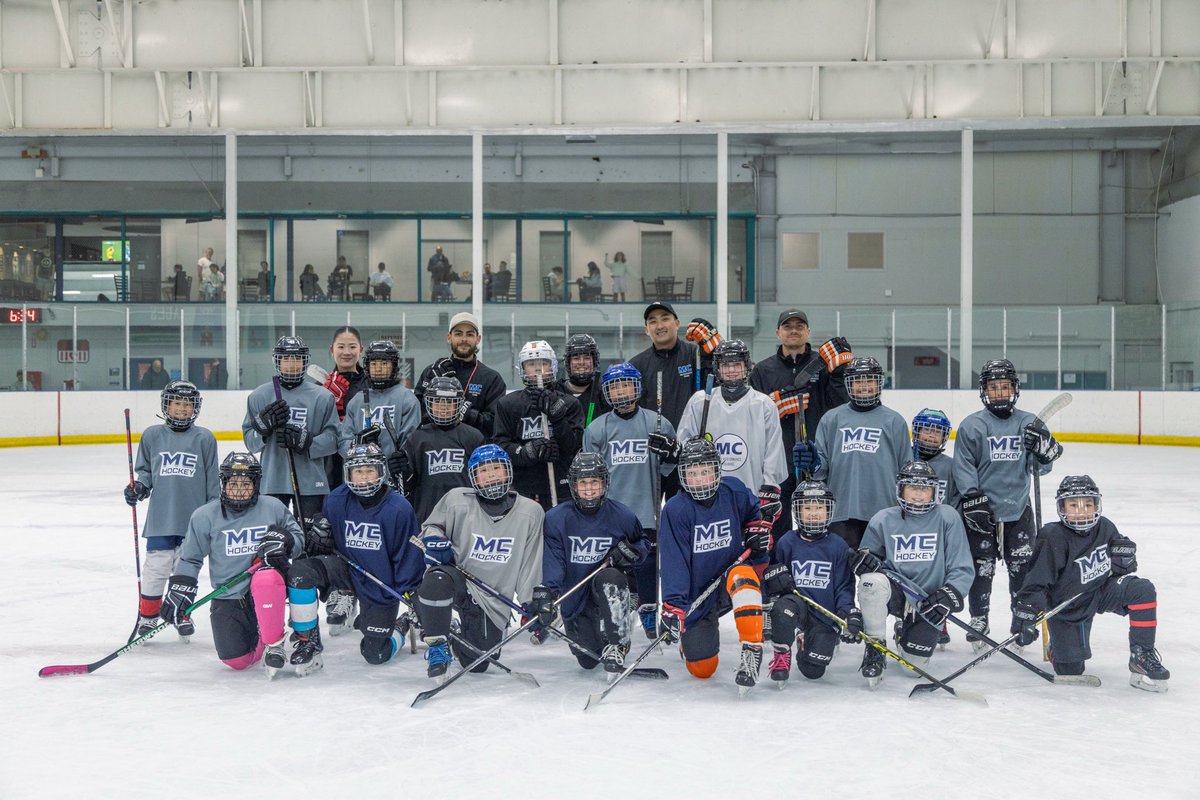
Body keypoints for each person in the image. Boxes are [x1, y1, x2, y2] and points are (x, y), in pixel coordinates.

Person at [1014, 475, 1169, 692]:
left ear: (1097, 504)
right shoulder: (1052, 536)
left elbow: (1121, 560)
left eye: (1088, 504)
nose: (1082, 510)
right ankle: (1057, 648)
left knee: (1142, 590)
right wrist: (1027, 611)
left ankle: (1141, 654)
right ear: (1062, 507)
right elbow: (1037, 581)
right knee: (1071, 670)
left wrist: (1125, 559)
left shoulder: (1105, 527)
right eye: (1073, 505)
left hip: (1100, 591)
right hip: (1068, 606)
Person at [159, 452, 304, 677]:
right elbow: (190, 557)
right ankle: (262, 638)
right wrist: (181, 587)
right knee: (236, 660)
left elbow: (298, 538)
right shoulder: (204, 515)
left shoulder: (272, 507)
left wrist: (286, 542)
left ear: (256, 484)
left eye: (245, 483)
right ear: (223, 483)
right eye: (233, 483)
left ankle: (274, 642)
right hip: (229, 593)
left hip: (267, 587)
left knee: (266, 578)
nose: (239, 489)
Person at [285, 443, 424, 673]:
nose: (364, 478)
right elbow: (326, 546)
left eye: (370, 470)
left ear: (381, 472)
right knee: (300, 573)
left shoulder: (399, 509)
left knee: (376, 654)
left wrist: (412, 594)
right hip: (345, 569)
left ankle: (401, 625)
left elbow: (408, 557)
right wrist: (319, 538)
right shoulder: (336, 500)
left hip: (379, 583)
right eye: (358, 472)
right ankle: (307, 640)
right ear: (348, 474)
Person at [952, 358, 1064, 646]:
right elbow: (963, 465)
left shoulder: (1027, 423)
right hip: (981, 510)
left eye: (1005, 386)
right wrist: (971, 496)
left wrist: (1044, 451)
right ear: (984, 391)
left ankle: (1022, 615)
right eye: (993, 387)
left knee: (1023, 566)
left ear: (1014, 389)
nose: (999, 392)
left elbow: (1041, 468)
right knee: (981, 567)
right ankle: (979, 616)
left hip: (1017, 508)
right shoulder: (972, 425)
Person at [414, 445, 544, 678]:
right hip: (458, 579)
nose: (491, 475)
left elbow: (530, 562)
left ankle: (452, 630)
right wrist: (435, 540)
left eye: (496, 468)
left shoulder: (531, 512)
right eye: (483, 471)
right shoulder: (456, 500)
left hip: (492, 599)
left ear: (508, 472)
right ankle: (437, 645)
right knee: (437, 578)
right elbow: (431, 528)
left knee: (479, 662)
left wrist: (530, 601)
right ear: (473, 477)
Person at [659, 437, 769, 690]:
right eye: (692, 473)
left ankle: (752, 649)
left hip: (730, 578)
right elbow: (673, 562)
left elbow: (756, 516)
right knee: (702, 670)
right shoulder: (676, 510)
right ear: (683, 476)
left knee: (744, 576)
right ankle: (689, 645)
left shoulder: (734, 491)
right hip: (698, 594)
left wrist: (757, 533)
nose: (699, 479)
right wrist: (674, 606)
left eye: (705, 471)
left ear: (717, 471)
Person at [851, 461, 973, 687]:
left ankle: (902, 633)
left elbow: (962, 566)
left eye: (925, 488)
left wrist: (948, 595)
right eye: (912, 487)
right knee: (871, 582)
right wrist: (864, 563)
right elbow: (868, 560)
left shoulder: (948, 517)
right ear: (900, 490)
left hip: (928, 601)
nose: (918, 494)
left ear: (935, 492)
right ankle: (875, 646)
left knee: (913, 669)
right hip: (896, 593)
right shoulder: (883, 518)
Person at [582, 362, 676, 638]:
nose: (621, 391)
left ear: (637, 387)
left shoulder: (657, 423)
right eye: (614, 386)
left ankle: (648, 609)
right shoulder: (598, 428)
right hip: (612, 511)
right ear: (606, 393)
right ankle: (614, 611)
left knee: (646, 562)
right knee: (614, 565)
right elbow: (591, 474)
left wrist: (670, 453)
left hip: (646, 508)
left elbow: (670, 468)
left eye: (626, 384)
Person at [535, 452, 647, 675]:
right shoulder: (557, 518)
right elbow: (554, 560)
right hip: (576, 598)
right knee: (589, 660)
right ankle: (600, 637)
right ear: (574, 485)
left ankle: (618, 641)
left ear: (604, 483)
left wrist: (630, 551)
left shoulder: (622, 515)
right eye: (583, 482)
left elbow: (641, 543)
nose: (589, 488)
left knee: (611, 577)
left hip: (605, 587)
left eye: (594, 482)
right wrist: (548, 593)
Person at [124, 381, 220, 640]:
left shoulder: (205, 438)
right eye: (177, 403)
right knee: (156, 568)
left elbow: (213, 479)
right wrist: (139, 488)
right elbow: (145, 473)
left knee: (184, 570)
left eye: (188, 404)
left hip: (194, 519)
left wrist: (214, 512)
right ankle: (148, 617)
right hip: (161, 518)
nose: (182, 409)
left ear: (195, 408)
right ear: (167, 405)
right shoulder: (153, 435)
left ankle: (181, 612)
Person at [749, 309, 852, 542]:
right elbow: (751, 416)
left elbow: (841, 406)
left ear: (808, 332)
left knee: (818, 528)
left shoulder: (823, 366)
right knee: (777, 529)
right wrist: (775, 405)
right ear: (778, 333)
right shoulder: (762, 370)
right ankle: (778, 573)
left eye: (799, 326)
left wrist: (839, 373)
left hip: (819, 461)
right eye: (787, 326)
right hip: (777, 461)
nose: (793, 330)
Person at [673, 339, 788, 539]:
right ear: (717, 369)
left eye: (737, 364)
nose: (732, 370)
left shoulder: (763, 404)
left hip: (750, 498)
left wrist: (767, 493)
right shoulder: (699, 401)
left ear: (747, 367)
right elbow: (684, 447)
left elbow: (773, 455)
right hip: (708, 497)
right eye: (726, 365)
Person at [801, 356, 911, 550]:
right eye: (858, 381)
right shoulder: (831, 418)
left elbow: (905, 470)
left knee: (878, 574)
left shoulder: (895, 421)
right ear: (848, 384)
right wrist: (813, 464)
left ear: (879, 383)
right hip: (841, 510)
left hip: (883, 511)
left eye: (869, 380)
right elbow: (820, 471)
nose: (864, 386)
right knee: (843, 572)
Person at [761, 480, 858, 685]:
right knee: (782, 610)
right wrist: (775, 580)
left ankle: (805, 640)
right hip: (796, 606)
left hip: (824, 613)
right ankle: (781, 653)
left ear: (829, 510)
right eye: (807, 508)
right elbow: (772, 577)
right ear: (797, 510)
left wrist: (847, 613)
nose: (814, 513)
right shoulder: (787, 541)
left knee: (813, 671)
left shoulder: (838, 546)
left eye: (819, 507)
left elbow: (843, 587)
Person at [241, 335, 339, 528]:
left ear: (305, 361)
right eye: (286, 358)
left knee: (311, 540)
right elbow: (250, 442)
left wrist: (307, 441)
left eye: (297, 358)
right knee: (273, 541)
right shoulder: (259, 396)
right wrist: (262, 429)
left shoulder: (323, 397)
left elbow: (334, 439)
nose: (292, 364)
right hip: (272, 480)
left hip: (311, 482)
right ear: (278, 361)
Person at [493, 340, 584, 510]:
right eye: (531, 364)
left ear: (553, 366)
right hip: (524, 488)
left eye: (543, 363)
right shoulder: (507, 404)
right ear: (522, 368)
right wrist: (528, 451)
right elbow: (500, 447)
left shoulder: (569, 403)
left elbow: (573, 447)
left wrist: (557, 418)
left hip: (561, 486)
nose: (537, 369)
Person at [394, 375, 486, 522]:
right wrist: (399, 470)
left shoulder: (474, 437)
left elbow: (483, 480)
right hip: (427, 517)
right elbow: (407, 486)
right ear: (428, 403)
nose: (443, 406)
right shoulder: (416, 438)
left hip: (467, 517)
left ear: (459, 404)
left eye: (449, 401)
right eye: (437, 401)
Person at [414, 312, 507, 438]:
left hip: (473, 451)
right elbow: (417, 415)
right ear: (449, 337)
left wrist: (468, 414)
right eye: (458, 333)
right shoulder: (433, 372)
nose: (464, 339)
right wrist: (430, 383)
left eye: (469, 334)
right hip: (434, 447)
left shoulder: (491, 378)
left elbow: (496, 424)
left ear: (478, 339)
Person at [337, 340, 421, 465]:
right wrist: (358, 444)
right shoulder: (357, 400)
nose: (379, 368)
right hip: (363, 475)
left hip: (395, 475)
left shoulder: (407, 398)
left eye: (384, 363)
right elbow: (343, 442)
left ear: (394, 366)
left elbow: (412, 442)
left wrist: (399, 460)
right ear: (367, 367)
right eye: (374, 363)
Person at [555, 333, 610, 425]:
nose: (581, 362)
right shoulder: (555, 391)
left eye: (587, 358)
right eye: (576, 358)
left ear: (594, 361)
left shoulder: (604, 394)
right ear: (568, 362)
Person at [911, 408, 960, 507]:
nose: (932, 435)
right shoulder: (902, 458)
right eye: (926, 429)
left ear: (944, 437)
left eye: (938, 431)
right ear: (917, 431)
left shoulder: (952, 466)